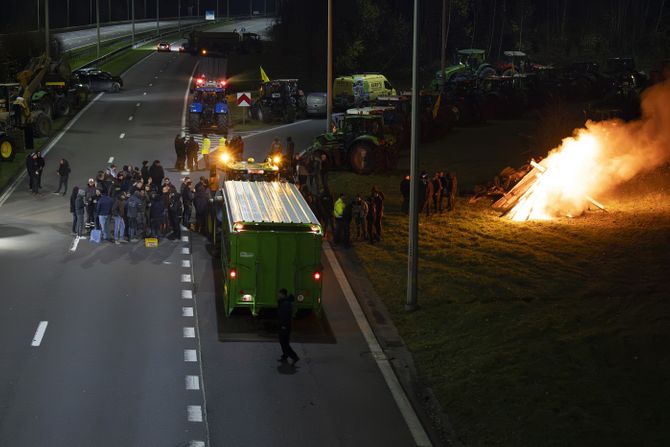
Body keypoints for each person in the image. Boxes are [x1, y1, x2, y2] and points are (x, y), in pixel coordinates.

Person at [277, 288, 299, 364]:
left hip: (284, 327)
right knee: (283, 342)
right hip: (284, 326)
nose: (278, 295)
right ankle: (285, 356)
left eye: (279, 294)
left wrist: (284, 326)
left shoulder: (285, 304)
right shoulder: (284, 302)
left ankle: (294, 357)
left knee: (284, 342)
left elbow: (285, 316)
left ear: (283, 294)